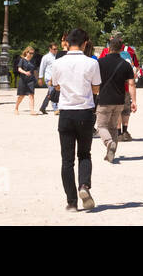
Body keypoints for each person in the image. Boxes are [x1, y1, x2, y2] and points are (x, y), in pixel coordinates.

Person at [47, 28, 101, 211]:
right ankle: (84, 186)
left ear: (67, 43)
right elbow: (96, 89)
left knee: (66, 160)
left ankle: (71, 202)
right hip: (85, 112)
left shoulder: (58, 63)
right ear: (85, 44)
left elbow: (55, 86)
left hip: (66, 113)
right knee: (84, 154)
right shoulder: (91, 63)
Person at [96, 38, 137, 161]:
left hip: (104, 99)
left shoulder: (100, 62)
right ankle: (110, 154)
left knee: (101, 126)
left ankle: (109, 142)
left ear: (109, 47)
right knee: (113, 127)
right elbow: (131, 84)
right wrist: (134, 101)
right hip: (120, 100)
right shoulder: (126, 64)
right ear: (121, 49)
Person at [13, 46, 38, 115]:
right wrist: (25, 72)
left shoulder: (33, 61)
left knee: (31, 95)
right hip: (23, 80)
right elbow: (19, 69)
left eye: (33, 53)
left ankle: (32, 110)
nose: (31, 55)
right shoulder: (22, 60)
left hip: (31, 80)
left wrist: (37, 79)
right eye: (30, 53)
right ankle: (16, 108)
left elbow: (35, 70)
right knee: (21, 96)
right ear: (26, 53)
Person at [38, 42, 61, 113]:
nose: (56, 50)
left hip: (56, 78)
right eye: (54, 49)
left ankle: (43, 107)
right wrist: (40, 78)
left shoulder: (58, 56)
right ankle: (55, 109)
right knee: (53, 93)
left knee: (50, 93)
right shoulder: (46, 57)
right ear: (50, 49)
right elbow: (42, 68)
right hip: (49, 78)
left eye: (57, 49)